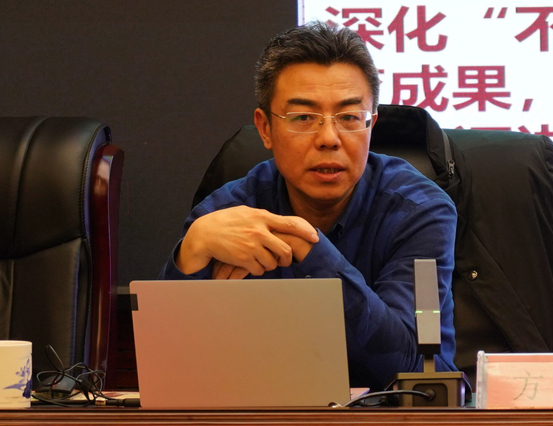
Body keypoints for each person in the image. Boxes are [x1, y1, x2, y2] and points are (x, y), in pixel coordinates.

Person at [159, 22, 458, 391]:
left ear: (371, 126)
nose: (329, 138)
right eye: (303, 118)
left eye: (349, 118)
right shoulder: (226, 214)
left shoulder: (419, 211)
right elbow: (172, 375)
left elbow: (410, 369)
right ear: (265, 128)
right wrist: (189, 253)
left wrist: (310, 249)